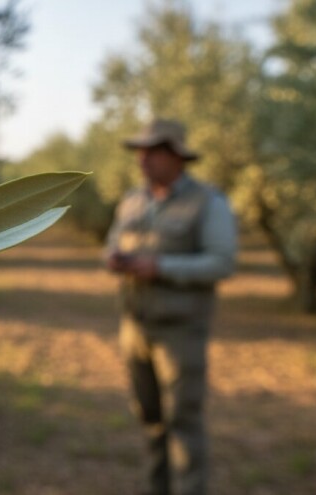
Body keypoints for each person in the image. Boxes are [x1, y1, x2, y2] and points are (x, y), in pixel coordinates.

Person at [105, 118, 238, 495]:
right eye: (140, 151)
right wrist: (115, 259)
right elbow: (110, 244)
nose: (143, 159)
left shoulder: (208, 202)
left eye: (153, 151)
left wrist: (161, 267)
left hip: (180, 331)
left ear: (177, 156)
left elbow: (222, 262)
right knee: (150, 420)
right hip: (135, 327)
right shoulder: (133, 199)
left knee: (183, 423)